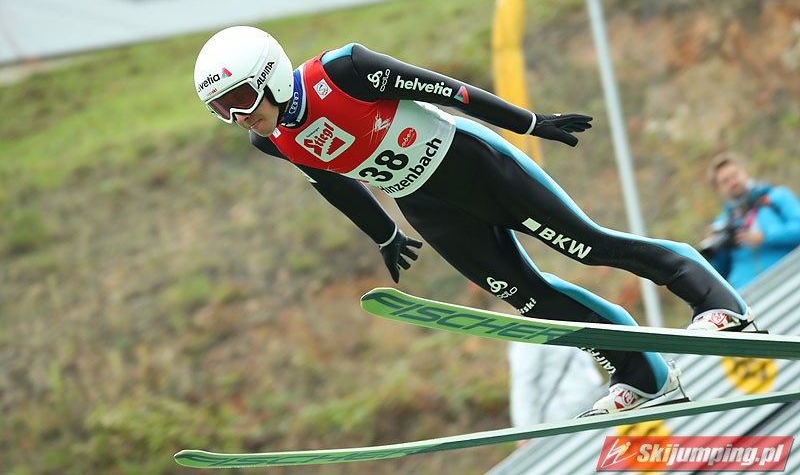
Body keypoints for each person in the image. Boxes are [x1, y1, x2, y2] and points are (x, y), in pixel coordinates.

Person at [193, 26, 755, 414]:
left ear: (269, 74)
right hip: (425, 205)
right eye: (221, 109)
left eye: (240, 98)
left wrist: (529, 123)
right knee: (528, 299)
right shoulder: (271, 140)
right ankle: (641, 374)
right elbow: (333, 183)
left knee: (588, 246)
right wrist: (384, 234)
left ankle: (717, 303)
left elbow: (450, 90)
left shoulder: (344, 70)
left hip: (474, 164)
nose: (237, 116)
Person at [700, 153, 800, 291]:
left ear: (744, 172)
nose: (733, 182)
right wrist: (715, 251)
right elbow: (718, 275)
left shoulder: (776, 197)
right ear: (719, 189)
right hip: (750, 295)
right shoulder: (722, 224)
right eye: (725, 181)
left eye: (735, 175)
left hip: (791, 279)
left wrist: (764, 237)